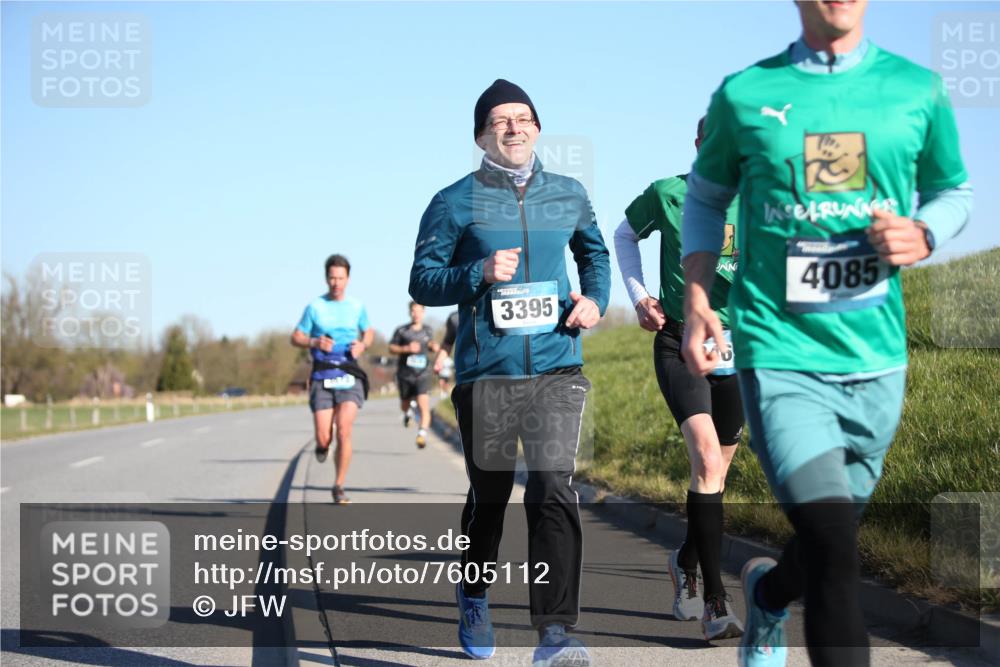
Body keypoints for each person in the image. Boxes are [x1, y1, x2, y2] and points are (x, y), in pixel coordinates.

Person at [680, 2, 972, 665]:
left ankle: (769, 594)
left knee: (825, 540)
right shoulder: (746, 94)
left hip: (876, 359)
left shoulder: (916, 89)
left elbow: (954, 189)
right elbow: (705, 195)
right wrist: (699, 297)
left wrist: (924, 231)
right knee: (838, 549)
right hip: (779, 352)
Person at [409, 79, 610, 666]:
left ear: (539, 129)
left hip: (557, 365)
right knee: (491, 494)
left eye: (524, 118)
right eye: (501, 120)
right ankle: (473, 591)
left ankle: (555, 634)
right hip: (486, 373)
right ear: (481, 136)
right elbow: (422, 279)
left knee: (551, 486)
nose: (515, 128)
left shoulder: (568, 193)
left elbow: (593, 254)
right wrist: (477, 273)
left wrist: (593, 299)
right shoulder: (453, 201)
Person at [613, 117, 744, 641]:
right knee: (707, 461)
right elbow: (624, 234)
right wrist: (640, 296)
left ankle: (685, 561)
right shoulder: (668, 193)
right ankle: (716, 602)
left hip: (739, 350)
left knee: (716, 479)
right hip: (678, 341)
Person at [291, 254, 375, 505]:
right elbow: (295, 337)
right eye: (332, 278)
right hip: (322, 374)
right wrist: (313, 341)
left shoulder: (357, 306)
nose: (336, 282)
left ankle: (338, 485)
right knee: (324, 437)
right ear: (326, 278)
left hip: (349, 372)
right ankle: (321, 446)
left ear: (348, 279)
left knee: (344, 429)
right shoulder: (315, 307)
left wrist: (363, 344)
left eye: (340, 278)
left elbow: (368, 331)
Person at [388, 302, 440, 448]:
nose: (416, 314)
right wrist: (406, 348)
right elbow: (391, 348)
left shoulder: (428, 330)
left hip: (422, 374)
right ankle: (407, 413)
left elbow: (430, 343)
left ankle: (422, 435)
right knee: (404, 404)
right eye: (413, 311)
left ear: (423, 313)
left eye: (419, 311)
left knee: (424, 404)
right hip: (405, 374)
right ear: (409, 313)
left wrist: (434, 346)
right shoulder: (401, 331)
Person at [433, 310, 460, 398]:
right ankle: (443, 393)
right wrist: (439, 361)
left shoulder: (494, 305)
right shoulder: (454, 318)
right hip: (465, 374)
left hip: (495, 371)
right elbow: (448, 342)